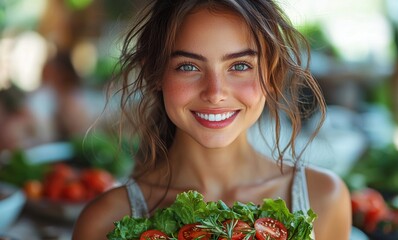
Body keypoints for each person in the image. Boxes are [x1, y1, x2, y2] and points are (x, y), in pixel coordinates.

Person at [72, 1, 352, 240]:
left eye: (240, 66)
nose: (215, 93)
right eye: (188, 66)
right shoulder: (103, 222)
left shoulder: (324, 198)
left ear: (271, 71)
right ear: (154, 74)